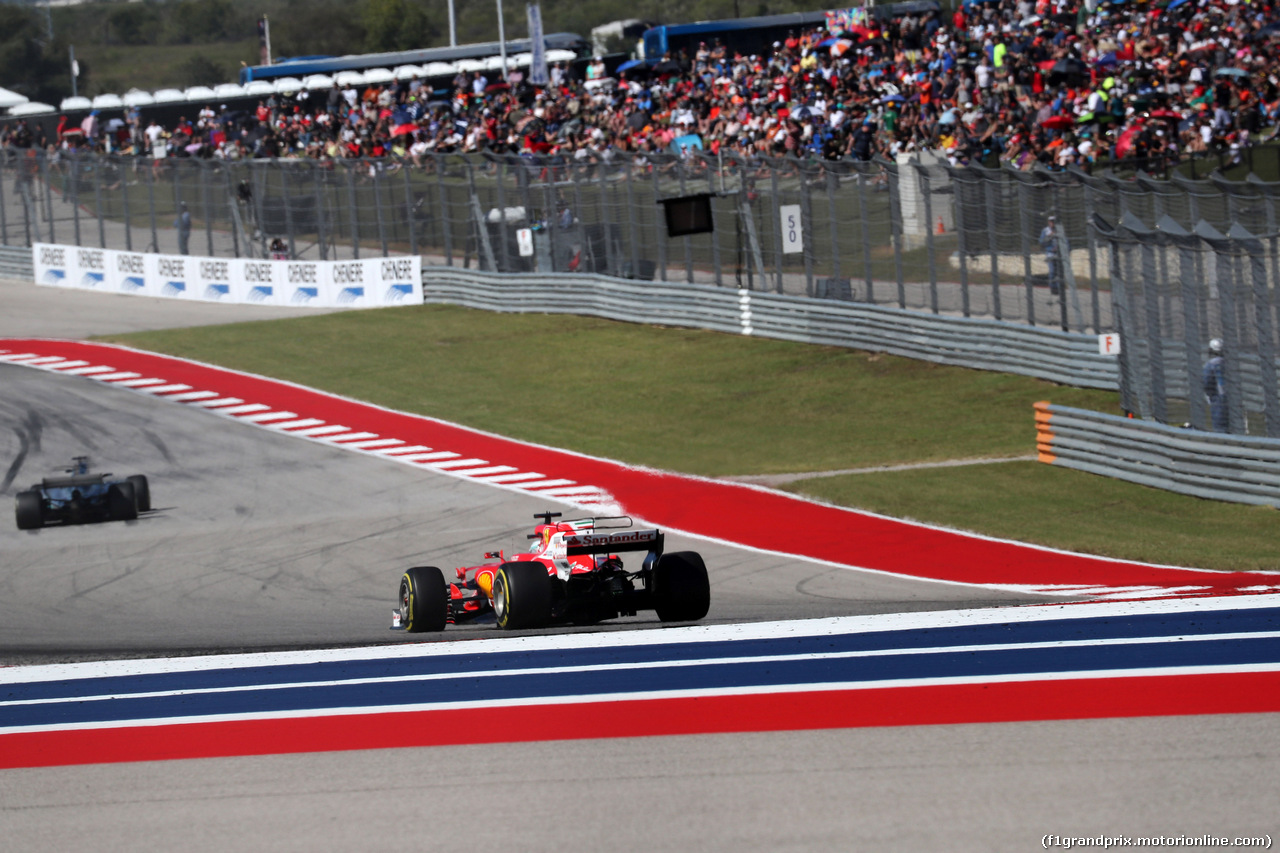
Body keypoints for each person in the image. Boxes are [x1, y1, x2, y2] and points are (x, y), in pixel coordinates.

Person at [1203, 338, 1227, 433]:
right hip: (1232, 398)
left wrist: (1210, 395)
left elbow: (1206, 383)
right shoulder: (1229, 363)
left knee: (1220, 428)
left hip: (1217, 398)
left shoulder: (1210, 365)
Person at [1039, 215, 1060, 298]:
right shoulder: (1045, 230)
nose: (1052, 223)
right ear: (1049, 222)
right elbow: (1041, 242)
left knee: (1058, 272)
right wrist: (1049, 236)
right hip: (1050, 253)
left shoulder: (1059, 230)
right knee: (1052, 271)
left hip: (1058, 254)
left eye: (1054, 222)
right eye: (1051, 222)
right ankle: (1052, 287)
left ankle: (1058, 288)